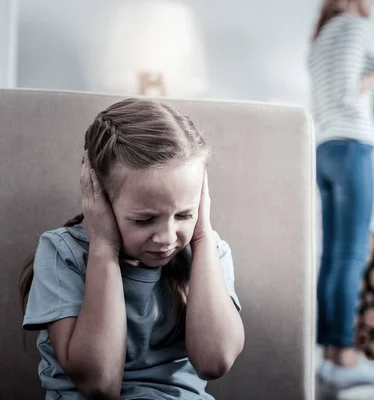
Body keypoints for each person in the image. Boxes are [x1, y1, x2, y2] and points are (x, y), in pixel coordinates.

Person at [19, 98, 245, 399]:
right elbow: (100, 384)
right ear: (98, 198)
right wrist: (103, 247)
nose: (166, 237)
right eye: (145, 220)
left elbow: (214, 361)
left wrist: (201, 235)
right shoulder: (63, 253)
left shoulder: (208, 254)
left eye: (184, 215)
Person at [308, 0, 374, 388]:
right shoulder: (352, 26)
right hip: (353, 146)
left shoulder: (322, 36)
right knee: (351, 254)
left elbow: (344, 80)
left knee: (334, 255)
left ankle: (328, 355)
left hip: (325, 148)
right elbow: (352, 89)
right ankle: (346, 357)